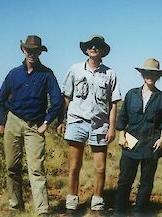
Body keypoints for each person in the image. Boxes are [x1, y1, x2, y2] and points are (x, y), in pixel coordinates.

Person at [0, 35, 63, 216]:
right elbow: (0, 100)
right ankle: (15, 205)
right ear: (23, 50)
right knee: (11, 167)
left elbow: (57, 101)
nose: (32, 53)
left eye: (35, 50)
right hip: (13, 121)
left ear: (40, 52)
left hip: (35, 125)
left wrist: (47, 122)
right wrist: (0, 123)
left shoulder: (47, 74)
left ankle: (42, 210)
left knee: (36, 169)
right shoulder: (13, 74)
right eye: (29, 50)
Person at [57, 35, 121, 211]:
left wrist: (112, 127)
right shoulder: (75, 69)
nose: (93, 48)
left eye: (97, 46)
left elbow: (113, 104)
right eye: (90, 46)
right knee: (74, 165)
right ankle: (71, 201)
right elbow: (67, 97)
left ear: (102, 50)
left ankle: (97, 202)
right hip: (76, 121)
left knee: (100, 168)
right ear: (86, 49)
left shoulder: (110, 73)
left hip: (100, 125)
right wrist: (62, 120)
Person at [113, 58, 162, 216]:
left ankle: (140, 210)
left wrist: (161, 138)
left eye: (153, 73)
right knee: (125, 179)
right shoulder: (131, 94)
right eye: (147, 72)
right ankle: (120, 210)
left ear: (158, 76)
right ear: (142, 74)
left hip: (151, 143)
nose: (149, 76)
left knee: (146, 181)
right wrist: (121, 136)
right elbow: (122, 117)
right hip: (130, 141)